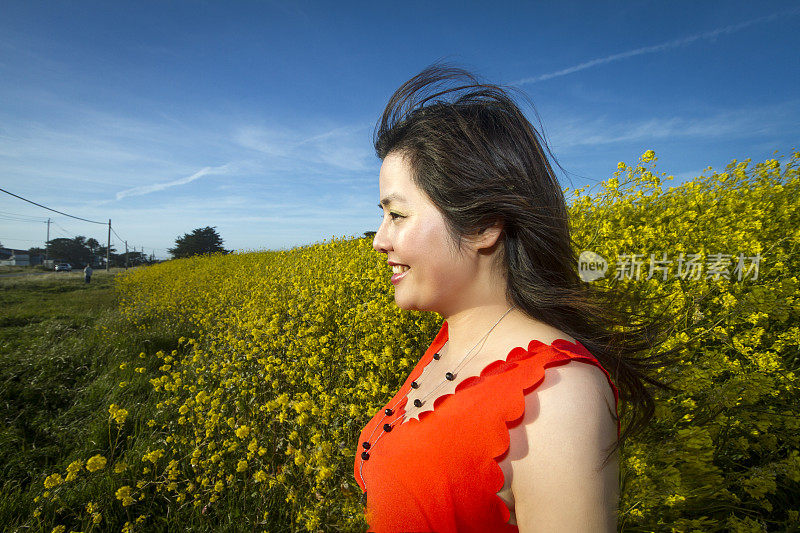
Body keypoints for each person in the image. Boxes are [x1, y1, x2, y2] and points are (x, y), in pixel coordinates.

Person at [354, 63, 680, 532]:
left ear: (484, 225)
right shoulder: (452, 341)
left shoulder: (558, 397)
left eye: (397, 215)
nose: (379, 240)